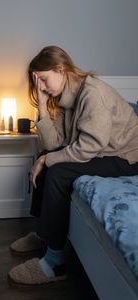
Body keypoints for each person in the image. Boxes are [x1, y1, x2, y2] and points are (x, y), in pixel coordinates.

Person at [8, 45, 138, 285]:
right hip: (103, 152)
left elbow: (90, 146)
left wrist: (47, 160)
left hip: (126, 158)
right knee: (48, 158)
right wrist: (43, 106)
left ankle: (55, 262)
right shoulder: (68, 98)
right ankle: (43, 234)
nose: (43, 87)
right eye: (40, 84)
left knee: (56, 171)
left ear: (60, 69)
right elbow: (54, 142)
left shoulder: (93, 93)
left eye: (45, 80)